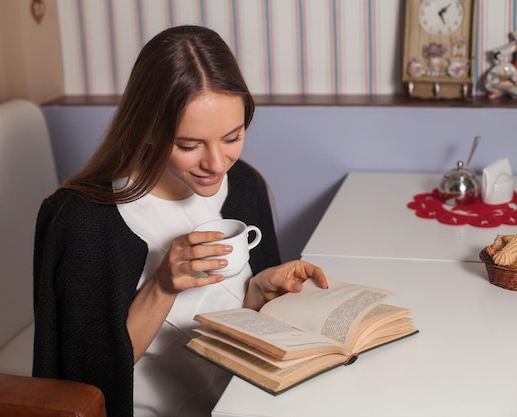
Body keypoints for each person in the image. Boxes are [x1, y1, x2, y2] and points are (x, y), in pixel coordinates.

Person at [32, 25, 328, 417]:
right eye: (189, 145)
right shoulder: (85, 221)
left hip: (243, 402)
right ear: (148, 128)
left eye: (232, 137)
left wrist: (258, 292)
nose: (216, 164)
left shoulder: (243, 187)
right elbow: (88, 387)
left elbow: (252, 331)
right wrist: (162, 285)